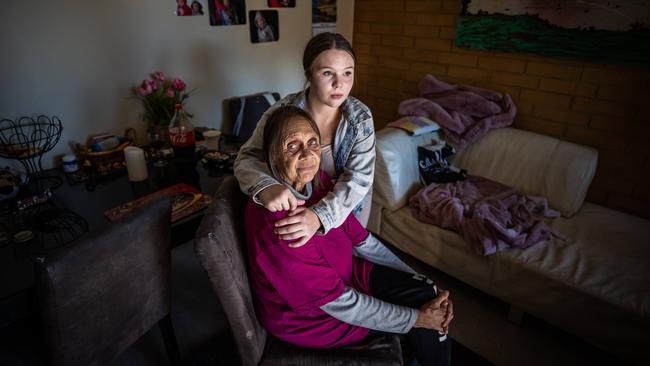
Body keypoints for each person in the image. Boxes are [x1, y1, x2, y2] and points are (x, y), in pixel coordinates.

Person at [246, 106, 453, 365]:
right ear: (271, 153)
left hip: (348, 275)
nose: (307, 154)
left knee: (428, 292)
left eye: (312, 142)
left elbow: (362, 240)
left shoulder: (317, 180)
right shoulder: (279, 224)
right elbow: (339, 302)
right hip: (316, 317)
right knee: (424, 322)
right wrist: (418, 320)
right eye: (292, 146)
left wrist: (423, 279)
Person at [234, 32, 374, 247]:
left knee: (350, 265)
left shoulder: (360, 119)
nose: (340, 84)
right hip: (294, 212)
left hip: (343, 210)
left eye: (347, 73)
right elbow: (246, 157)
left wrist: (319, 217)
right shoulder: (281, 113)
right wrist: (264, 186)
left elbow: (358, 180)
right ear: (308, 74)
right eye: (328, 73)